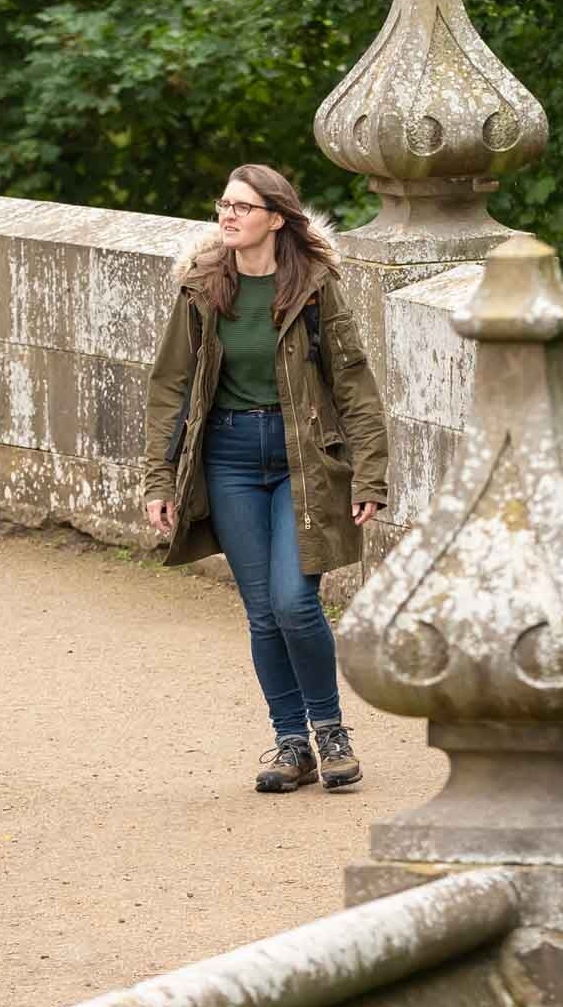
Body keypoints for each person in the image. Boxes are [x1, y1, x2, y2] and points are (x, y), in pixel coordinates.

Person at [142, 164, 390, 794]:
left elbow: (353, 380)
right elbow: (170, 385)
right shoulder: (201, 286)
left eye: (242, 208)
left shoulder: (314, 285)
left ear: (275, 219)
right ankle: (291, 744)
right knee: (261, 612)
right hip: (226, 458)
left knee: (294, 600)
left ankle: (330, 733)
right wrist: (160, 480)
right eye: (223, 205)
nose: (227, 216)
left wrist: (369, 473)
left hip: (300, 458)